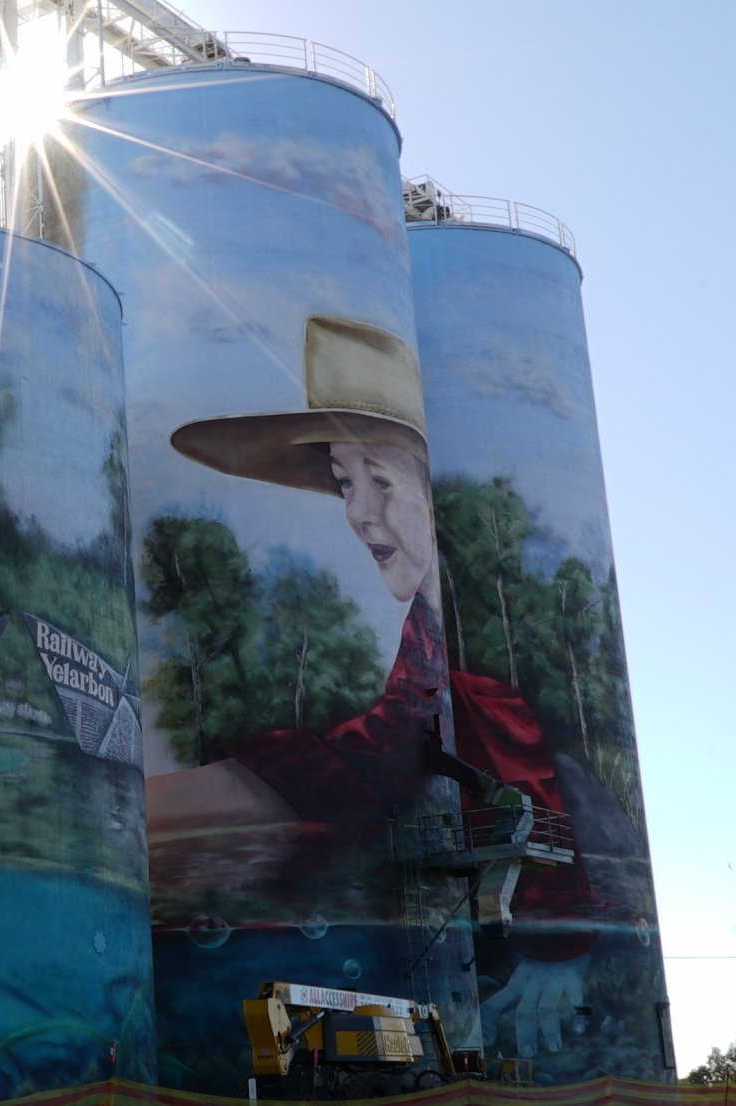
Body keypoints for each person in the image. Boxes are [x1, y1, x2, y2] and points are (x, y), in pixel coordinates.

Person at [150, 315, 604, 1057]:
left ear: (434, 490)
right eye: (343, 482)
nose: (360, 512)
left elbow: (497, 742)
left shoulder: (481, 627)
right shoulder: (426, 625)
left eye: (381, 480)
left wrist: (562, 936)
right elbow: (386, 746)